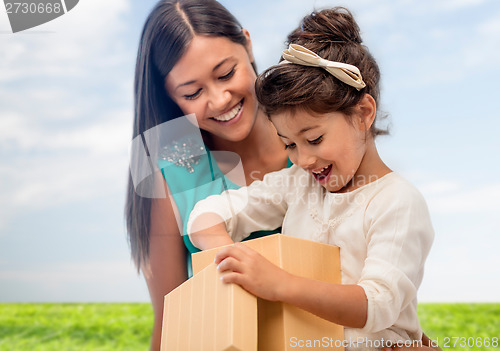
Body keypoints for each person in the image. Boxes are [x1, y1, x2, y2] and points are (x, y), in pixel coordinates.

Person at [187, 7, 436, 351]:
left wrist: (278, 284)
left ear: (363, 113)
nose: (303, 160)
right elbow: (208, 214)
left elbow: (377, 305)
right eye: (289, 144)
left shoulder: (397, 202)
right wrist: (226, 254)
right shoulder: (297, 185)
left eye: (314, 139)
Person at [125, 0, 289, 349]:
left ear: (247, 44)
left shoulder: (313, 126)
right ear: (171, 96)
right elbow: (170, 321)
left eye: (226, 74)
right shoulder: (168, 165)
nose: (219, 100)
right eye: (193, 92)